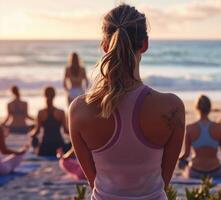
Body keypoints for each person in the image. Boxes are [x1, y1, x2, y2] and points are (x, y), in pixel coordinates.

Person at [69, 4, 185, 200]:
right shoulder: (171, 108)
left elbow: (93, 181)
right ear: (144, 44)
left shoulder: (79, 110)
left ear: (105, 45)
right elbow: (163, 182)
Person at [179, 95, 221, 179]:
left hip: (195, 172)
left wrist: (179, 158)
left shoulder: (189, 128)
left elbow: (186, 154)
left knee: (181, 163)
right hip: (216, 172)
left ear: (196, 108)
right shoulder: (220, 128)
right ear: (210, 108)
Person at [30, 87, 70, 157]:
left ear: (44, 95)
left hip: (45, 147)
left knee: (33, 137)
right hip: (58, 146)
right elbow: (66, 131)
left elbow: (37, 131)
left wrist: (31, 134)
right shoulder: (61, 112)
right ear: (54, 96)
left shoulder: (40, 112)